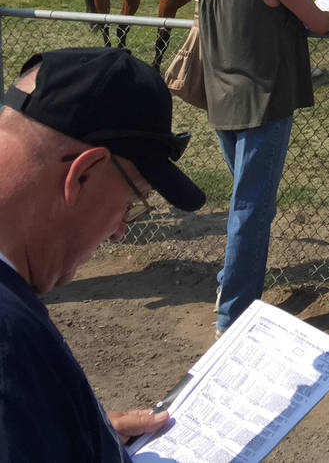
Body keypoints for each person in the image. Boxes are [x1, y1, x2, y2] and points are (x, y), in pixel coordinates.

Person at [0, 46, 206, 458]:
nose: (118, 231)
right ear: (83, 174)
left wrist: (72, 427)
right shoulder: (9, 345)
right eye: (131, 202)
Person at [200, 0, 329, 335]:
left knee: (246, 202)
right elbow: (318, 21)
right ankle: (235, 315)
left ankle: (230, 288)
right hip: (262, 101)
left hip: (221, 97)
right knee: (252, 206)